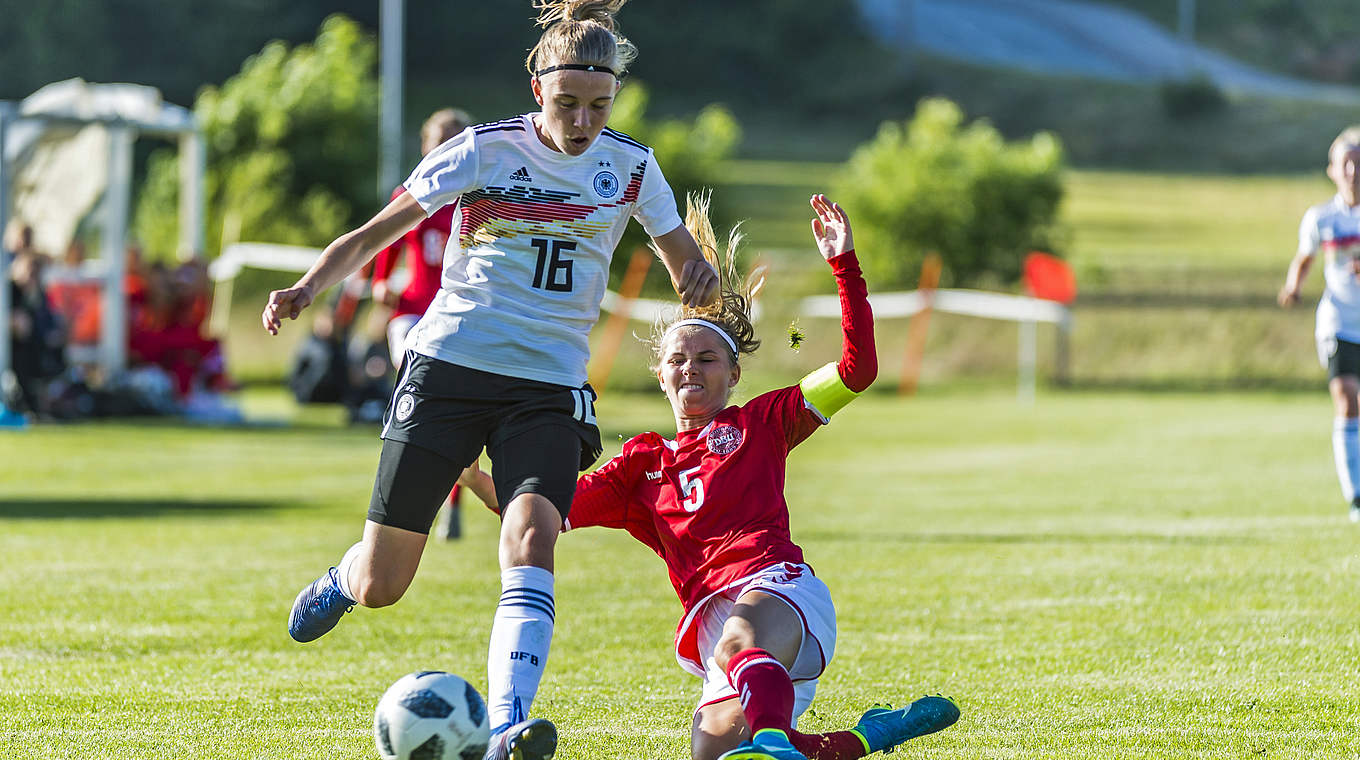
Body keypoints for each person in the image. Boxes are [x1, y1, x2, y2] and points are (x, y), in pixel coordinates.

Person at [261, 2, 719, 759]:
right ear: (535, 86)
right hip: (448, 369)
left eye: (598, 107)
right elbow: (378, 232)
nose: (581, 122)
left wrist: (698, 281)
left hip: (547, 386)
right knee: (385, 582)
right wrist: (306, 288)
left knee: (532, 531)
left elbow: (684, 269)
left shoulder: (633, 167)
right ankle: (343, 580)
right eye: (567, 103)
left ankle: (507, 727)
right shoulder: (482, 151)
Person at [463, 194, 959, 760]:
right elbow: (542, 508)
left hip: (777, 590)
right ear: (660, 374)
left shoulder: (764, 421)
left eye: (706, 359)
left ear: (734, 373)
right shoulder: (640, 465)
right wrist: (474, 473)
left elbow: (857, 370)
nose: (690, 368)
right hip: (711, 620)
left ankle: (774, 739)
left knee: (742, 648)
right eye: (678, 359)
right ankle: (874, 733)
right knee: (714, 753)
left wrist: (845, 266)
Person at [372, 107, 474, 539]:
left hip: (460, 315)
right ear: (426, 148)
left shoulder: (480, 196)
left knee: (460, 413)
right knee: (416, 381)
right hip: (414, 311)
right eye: (441, 142)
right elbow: (384, 241)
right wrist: (380, 283)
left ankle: (453, 501)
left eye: (457, 141)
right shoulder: (411, 192)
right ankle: (402, 465)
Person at [1280, 125, 1360, 523]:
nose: (1352, 172)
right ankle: (1355, 496)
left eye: (1358, 164)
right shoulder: (1321, 218)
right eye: (1345, 164)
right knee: (1346, 395)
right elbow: (1305, 257)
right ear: (1332, 170)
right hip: (1339, 321)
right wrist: (1293, 286)